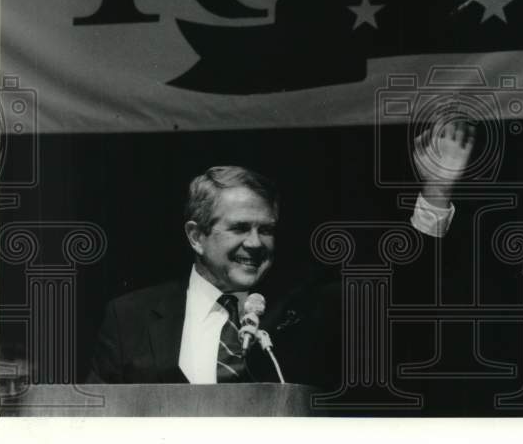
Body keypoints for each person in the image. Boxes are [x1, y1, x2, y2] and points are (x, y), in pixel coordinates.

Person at [86, 118, 476, 384]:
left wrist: (435, 197)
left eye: (266, 229)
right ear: (196, 236)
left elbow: (406, 301)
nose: (255, 244)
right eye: (239, 228)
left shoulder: (306, 306)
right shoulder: (130, 316)